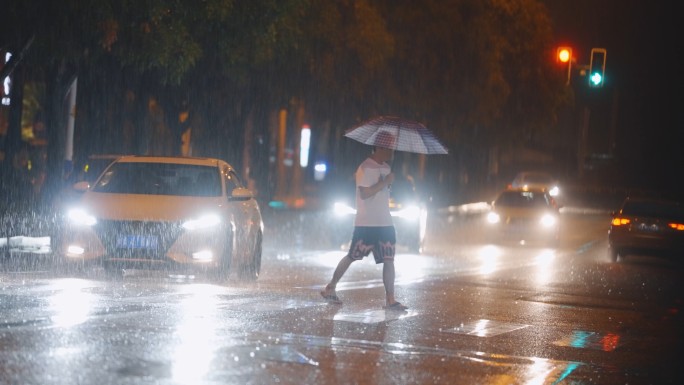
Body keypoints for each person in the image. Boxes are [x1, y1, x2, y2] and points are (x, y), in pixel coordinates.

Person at [320, 131, 408, 310]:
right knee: (353, 256)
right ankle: (330, 287)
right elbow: (365, 193)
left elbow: (382, 193)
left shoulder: (386, 168)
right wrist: (385, 182)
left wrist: (387, 181)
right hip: (366, 224)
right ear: (381, 147)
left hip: (385, 223)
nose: (392, 151)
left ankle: (390, 299)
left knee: (389, 259)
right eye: (390, 147)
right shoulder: (365, 168)